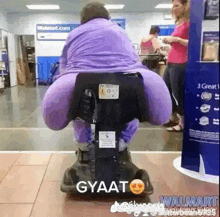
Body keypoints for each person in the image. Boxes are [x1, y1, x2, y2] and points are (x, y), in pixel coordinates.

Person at [41, 2, 172, 153]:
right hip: (125, 79)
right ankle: (124, 140)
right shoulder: (119, 30)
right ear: (107, 17)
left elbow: (64, 63)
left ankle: (83, 143)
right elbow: (133, 58)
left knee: (77, 112)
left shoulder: (75, 33)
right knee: (133, 111)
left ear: (83, 19)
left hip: (82, 80)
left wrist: (62, 78)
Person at [162, 0, 190, 132]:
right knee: (165, 91)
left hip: (181, 63)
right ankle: (173, 116)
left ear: (185, 6)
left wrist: (177, 40)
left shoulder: (191, 23)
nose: (173, 9)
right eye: (172, 6)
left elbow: (194, 42)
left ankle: (183, 123)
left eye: (177, 5)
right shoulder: (179, 23)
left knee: (178, 94)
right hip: (171, 62)